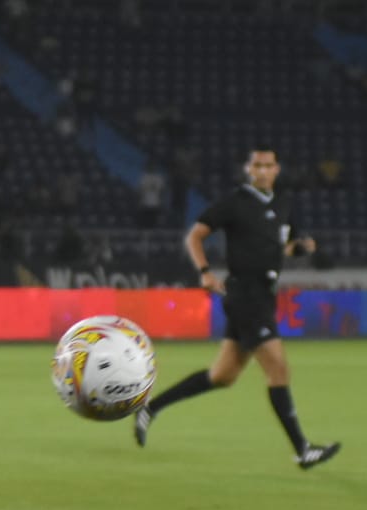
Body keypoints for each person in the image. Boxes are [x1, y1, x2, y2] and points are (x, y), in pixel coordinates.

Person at [134, 147, 340, 470]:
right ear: (249, 169)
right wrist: (204, 271)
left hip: (264, 295)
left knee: (222, 376)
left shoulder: (283, 203)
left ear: (277, 169)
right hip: (246, 295)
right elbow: (196, 235)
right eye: (257, 165)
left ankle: (150, 408)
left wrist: (299, 248)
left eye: (268, 165)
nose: (262, 170)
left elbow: (280, 245)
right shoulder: (236, 203)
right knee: (278, 369)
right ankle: (302, 449)